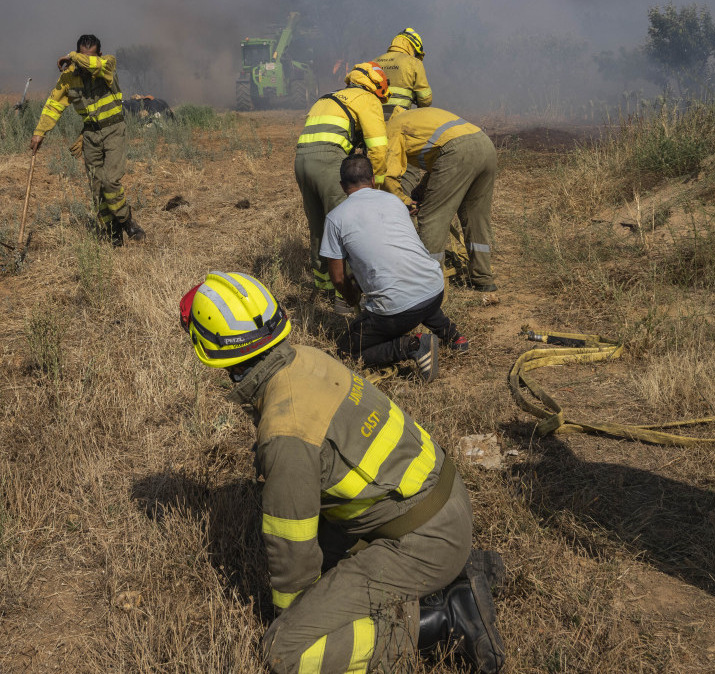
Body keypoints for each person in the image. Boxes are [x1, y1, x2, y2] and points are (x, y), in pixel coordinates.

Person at [177, 271, 505, 674]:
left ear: (209, 350)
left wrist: (293, 620)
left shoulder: (286, 432)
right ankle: (457, 573)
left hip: (426, 538)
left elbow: (292, 558)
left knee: (287, 652)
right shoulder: (306, 359)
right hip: (444, 503)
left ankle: (442, 619)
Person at [321, 154, 467, 380]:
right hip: (435, 289)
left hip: (395, 312)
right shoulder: (393, 201)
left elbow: (338, 278)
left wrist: (351, 298)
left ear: (342, 186)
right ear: (372, 180)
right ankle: (453, 336)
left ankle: (412, 346)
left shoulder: (335, 219)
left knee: (346, 350)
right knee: (413, 288)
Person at [29, 34, 145, 245]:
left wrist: (72, 56)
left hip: (114, 131)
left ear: (99, 55)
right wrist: (40, 132)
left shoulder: (107, 64)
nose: (84, 63)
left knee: (111, 180)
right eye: (81, 57)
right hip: (90, 136)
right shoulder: (69, 77)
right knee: (97, 186)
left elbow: (94, 64)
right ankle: (112, 232)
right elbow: (53, 106)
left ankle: (126, 220)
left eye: (88, 57)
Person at [294, 62, 390, 297]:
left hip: (301, 161)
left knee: (318, 225)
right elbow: (377, 148)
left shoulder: (328, 97)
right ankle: (344, 297)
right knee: (344, 227)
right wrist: (375, 186)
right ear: (378, 87)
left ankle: (324, 287)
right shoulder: (366, 99)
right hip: (329, 161)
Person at [383, 107, 499, 293]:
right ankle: (483, 278)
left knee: (432, 218)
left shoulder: (393, 128)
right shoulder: (415, 117)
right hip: (485, 146)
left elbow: (388, 175)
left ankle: (427, 285)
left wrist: (402, 200)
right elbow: (439, 158)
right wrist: (420, 191)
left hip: (457, 153)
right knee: (475, 216)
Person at [373, 27, 433, 119]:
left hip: (374, 115)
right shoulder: (414, 62)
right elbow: (425, 99)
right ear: (413, 47)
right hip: (399, 116)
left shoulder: (375, 61)